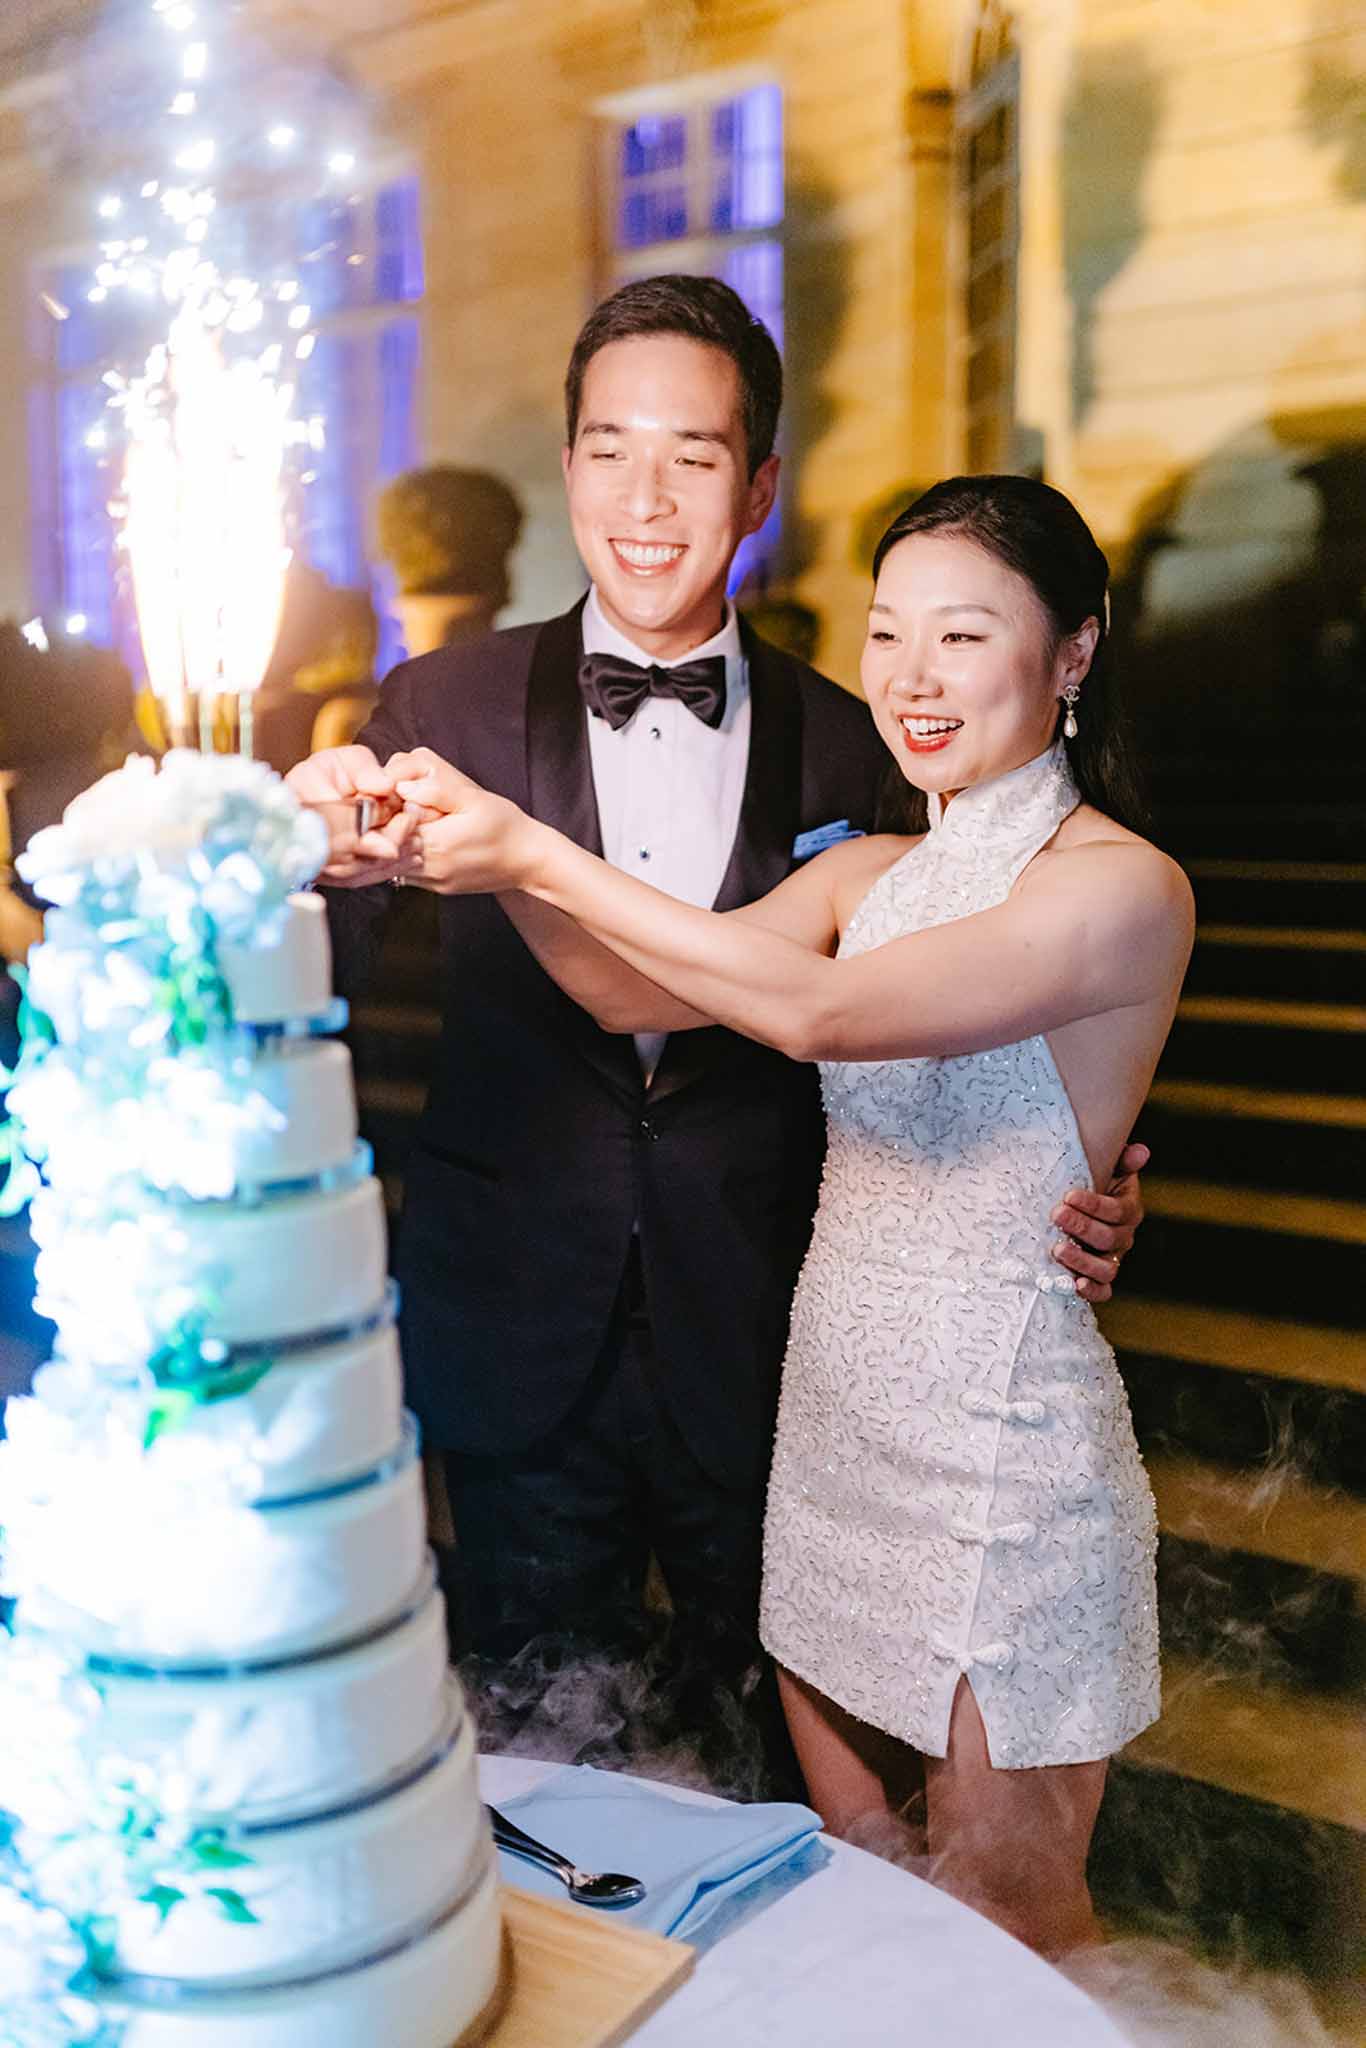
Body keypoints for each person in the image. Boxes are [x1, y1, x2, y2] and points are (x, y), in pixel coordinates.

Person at [286, 282, 1149, 1786]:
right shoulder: (446, 699)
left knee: (790, 1794)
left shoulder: (858, 731)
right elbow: (317, 968)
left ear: (757, 485)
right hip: (514, 1314)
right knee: (529, 1768)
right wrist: (277, 860)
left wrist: (1092, 1165)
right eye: (609, 449)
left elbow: (977, 977)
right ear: (566, 467)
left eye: (691, 456)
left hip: (769, 1339)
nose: (643, 497)